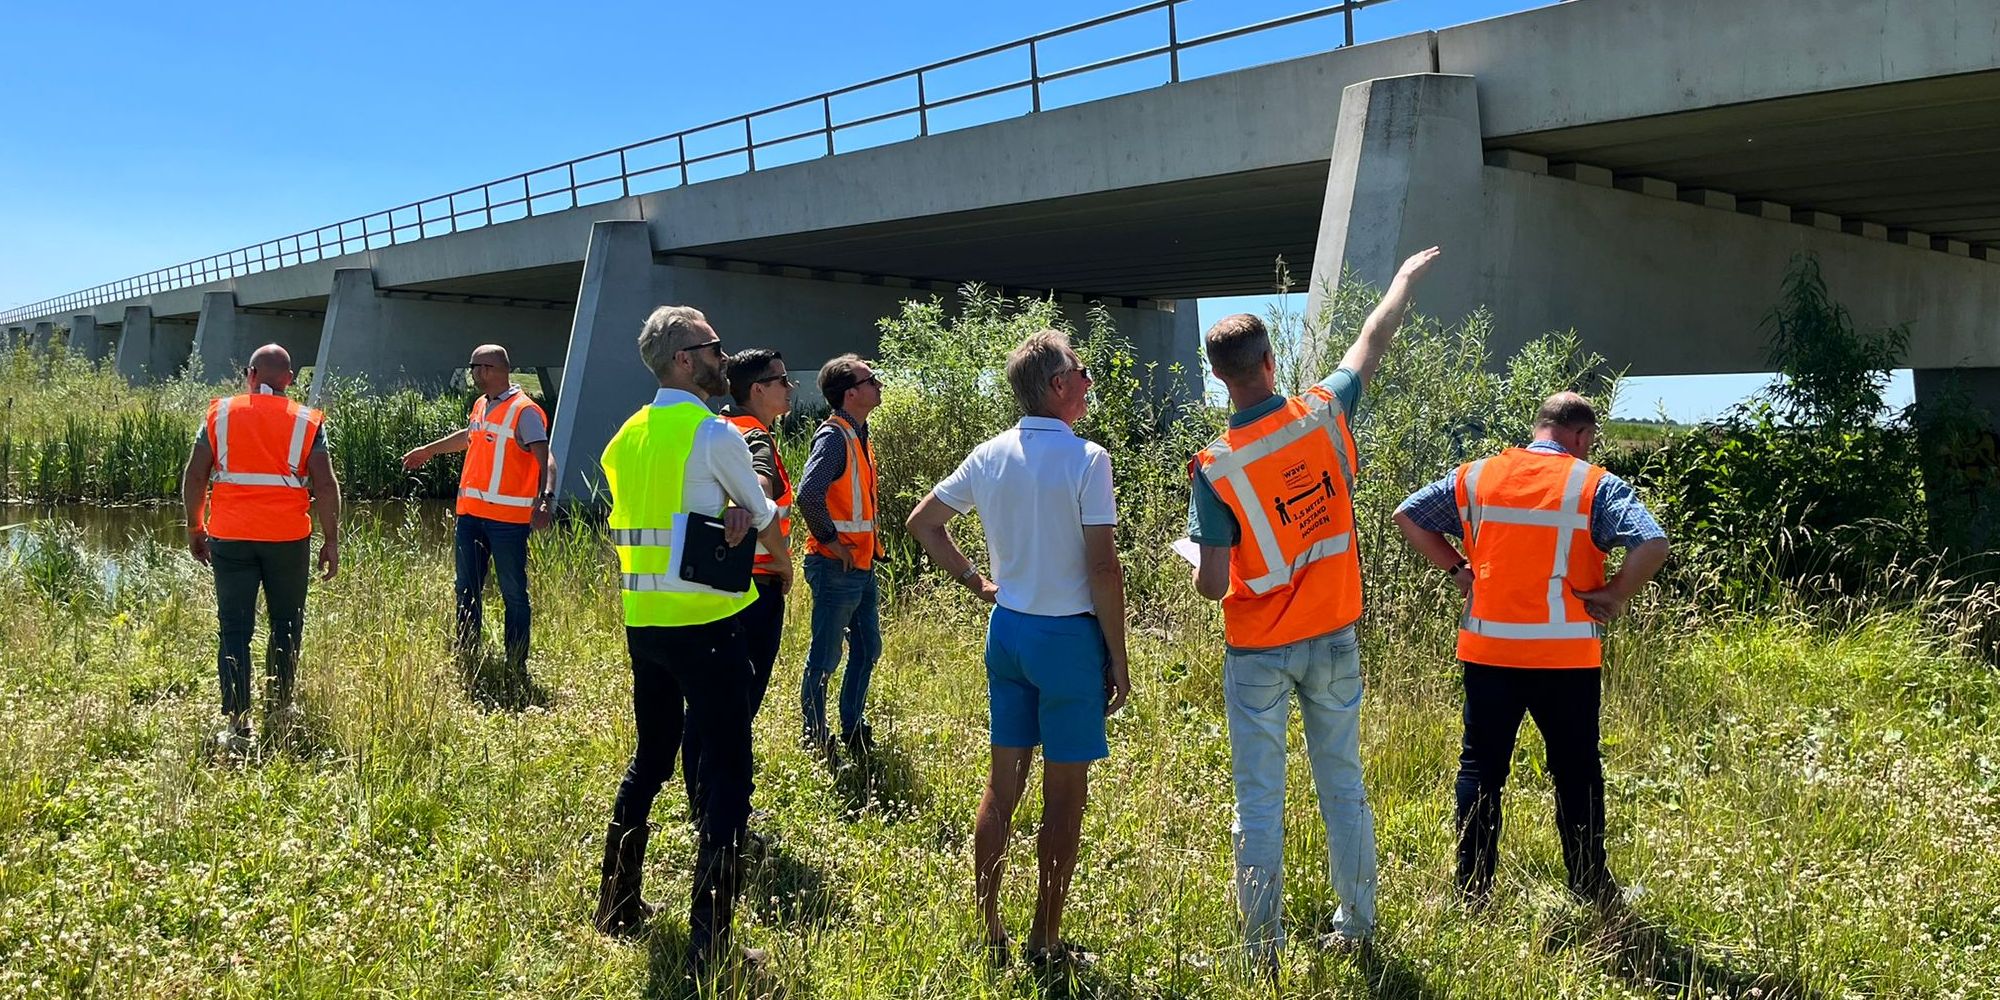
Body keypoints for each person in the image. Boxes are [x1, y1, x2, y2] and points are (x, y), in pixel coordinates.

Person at [1188, 246, 1440, 963]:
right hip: (1333, 637)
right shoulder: (1323, 414)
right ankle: (1356, 926)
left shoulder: (1215, 466)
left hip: (1258, 652)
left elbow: (1212, 583)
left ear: (1219, 377)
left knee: (1259, 801)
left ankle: (1260, 949)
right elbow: (1371, 340)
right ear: (1271, 363)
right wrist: (1402, 280)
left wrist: (1203, 565)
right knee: (1343, 785)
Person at [906, 330, 1131, 973]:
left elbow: (923, 522)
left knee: (1002, 786)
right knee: (1064, 799)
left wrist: (977, 581)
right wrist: (1118, 658)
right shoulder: (1088, 459)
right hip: (1066, 641)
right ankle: (1045, 939)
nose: (1087, 382)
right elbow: (1103, 568)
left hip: (1007, 631)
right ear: (1058, 385)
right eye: (1082, 372)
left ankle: (990, 928)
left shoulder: (989, 454)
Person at [1393, 391, 1668, 909]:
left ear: (1539, 426)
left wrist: (1457, 570)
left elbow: (1408, 515)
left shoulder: (1477, 476)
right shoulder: (1594, 485)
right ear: (1581, 436)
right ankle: (1590, 886)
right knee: (1576, 769)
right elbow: (1652, 543)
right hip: (1564, 658)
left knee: (1481, 770)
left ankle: (1472, 892)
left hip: (1489, 651)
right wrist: (1615, 594)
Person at [590, 305, 792, 983]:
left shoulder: (624, 438)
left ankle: (616, 904)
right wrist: (776, 556)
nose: (722, 358)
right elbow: (765, 516)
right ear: (684, 359)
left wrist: (721, 510)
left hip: (644, 623)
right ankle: (712, 944)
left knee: (651, 759)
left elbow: (660, 517)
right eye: (713, 347)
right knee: (728, 776)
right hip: (707, 626)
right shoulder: (713, 433)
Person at [181, 343, 341, 754]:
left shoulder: (219, 415)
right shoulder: (307, 421)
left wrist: (195, 526)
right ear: (290, 379)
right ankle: (280, 709)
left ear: (250, 375)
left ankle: (237, 724)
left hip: (231, 536)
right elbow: (325, 485)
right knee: (286, 623)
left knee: (235, 628)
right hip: (287, 539)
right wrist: (331, 540)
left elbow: (195, 475)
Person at [680, 347, 795, 829]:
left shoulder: (714, 429)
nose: (790, 387)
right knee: (738, 704)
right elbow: (760, 490)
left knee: (706, 701)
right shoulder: (755, 437)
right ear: (758, 390)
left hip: (715, 583)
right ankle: (721, 809)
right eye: (782, 379)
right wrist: (782, 560)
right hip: (756, 586)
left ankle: (701, 799)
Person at [401, 345, 557, 682]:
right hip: (471, 517)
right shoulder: (481, 405)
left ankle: (516, 664)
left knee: (513, 593)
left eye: (474, 367)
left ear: (488, 369)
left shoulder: (524, 411)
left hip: (508, 523)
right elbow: (470, 436)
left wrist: (545, 500)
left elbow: (546, 459)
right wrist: (429, 450)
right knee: (466, 588)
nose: (472, 374)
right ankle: (467, 653)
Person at [794, 352, 885, 761]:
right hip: (836, 566)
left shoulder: (857, 433)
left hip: (859, 565)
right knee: (826, 657)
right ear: (850, 393)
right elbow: (808, 495)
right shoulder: (834, 437)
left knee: (867, 649)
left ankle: (852, 728)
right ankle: (815, 737)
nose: (878, 385)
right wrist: (832, 542)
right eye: (871, 380)